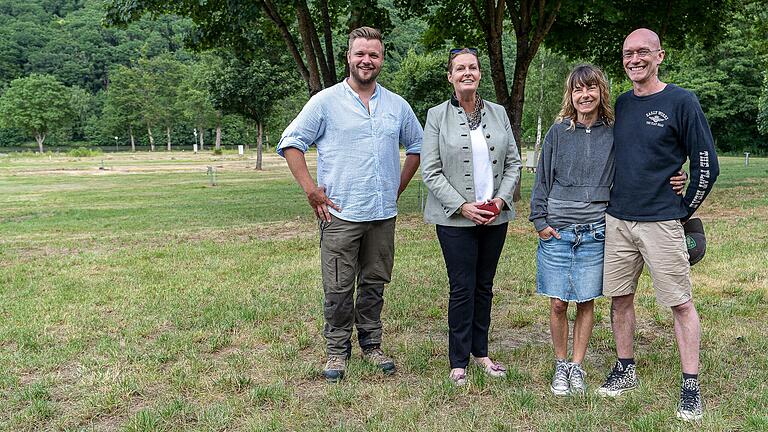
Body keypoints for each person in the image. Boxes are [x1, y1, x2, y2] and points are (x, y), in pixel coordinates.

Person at [530, 65, 689, 396]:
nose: (584, 95)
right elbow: (541, 178)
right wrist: (540, 222)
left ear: (601, 92)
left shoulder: (614, 131)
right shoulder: (558, 132)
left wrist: (677, 174)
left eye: (591, 88)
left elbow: (645, 159)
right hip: (558, 228)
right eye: (577, 90)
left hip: (597, 228)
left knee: (586, 300)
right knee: (558, 302)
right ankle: (560, 365)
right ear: (570, 95)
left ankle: (577, 366)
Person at [277, 26, 423, 382]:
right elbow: (291, 142)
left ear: (382, 59)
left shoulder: (396, 105)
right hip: (340, 214)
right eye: (360, 53)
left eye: (373, 54)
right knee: (339, 287)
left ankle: (371, 345)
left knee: (374, 283)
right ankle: (336, 351)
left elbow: (417, 147)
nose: (366, 60)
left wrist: (395, 188)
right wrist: (311, 190)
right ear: (349, 57)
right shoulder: (325, 102)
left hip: (382, 214)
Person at [596, 29, 719, 422]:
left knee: (680, 303)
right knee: (620, 298)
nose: (635, 59)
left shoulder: (682, 101)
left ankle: (690, 386)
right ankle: (625, 369)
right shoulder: (621, 104)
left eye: (643, 52)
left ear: (659, 56)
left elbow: (706, 165)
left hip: (662, 221)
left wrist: (683, 209)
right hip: (618, 220)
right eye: (628, 53)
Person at [421, 47, 522, 386]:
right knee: (462, 287)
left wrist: (500, 200)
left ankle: (482, 353)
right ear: (450, 76)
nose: (468, 72)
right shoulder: (436, 116)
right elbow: (431, 171)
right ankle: (458, 360)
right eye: (460, 68)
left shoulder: (498, 112)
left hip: (494, 217)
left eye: (473, 67)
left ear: (480, 74)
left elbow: (514, 163)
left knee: (485, 286)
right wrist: (463, 206)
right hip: (455, 220)